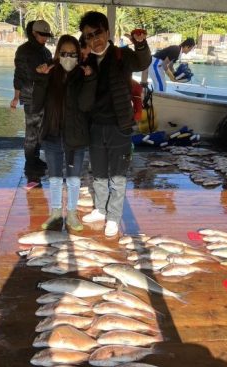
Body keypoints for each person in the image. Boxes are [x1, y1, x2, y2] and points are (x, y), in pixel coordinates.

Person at [79, 11, 151, 237]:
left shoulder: (122, 55)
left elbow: (143, 61)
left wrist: (141, 44)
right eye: (89, 36)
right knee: (98, 172)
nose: (94, 39)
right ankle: (100, 209)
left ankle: (113, 217)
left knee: (118, 176)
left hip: (119, 125)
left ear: (107, 32)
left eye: (98, 33)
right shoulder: (87, 60)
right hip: (95, 126)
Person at [32, 34, 97, 231]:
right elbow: (35, 105)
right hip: (52, 134)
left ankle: (71, 214)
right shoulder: (49, 73)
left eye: (73, 53)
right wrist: (41, 79)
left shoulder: (83, 74)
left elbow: (86, 105)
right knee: (53, 178)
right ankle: (55, 213)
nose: (68, 57)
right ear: (57, 53)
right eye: (64, 53)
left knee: (74, 179)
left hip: (75, 138)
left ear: (79, 55)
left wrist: (90, 80)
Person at [10, 20, 53, 171]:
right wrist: (16, 97)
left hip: (45, 96)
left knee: (40, 131)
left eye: (47, 36)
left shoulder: (46, 52)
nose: (45, 39)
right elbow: (20, 75)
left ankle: (35, 158)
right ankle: (30, 163)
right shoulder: (23, 51)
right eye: (43, 35)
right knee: (31, 132)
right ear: (34, 33)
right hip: (31, 96)